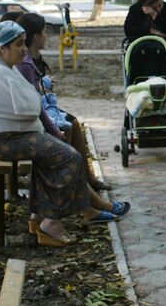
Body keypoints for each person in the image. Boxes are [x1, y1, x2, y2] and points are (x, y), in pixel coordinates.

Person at [0, 21, 130, 247]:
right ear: (1, 48)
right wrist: (35, 107)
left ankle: (38, 218)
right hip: (3, 142)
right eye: (18, 45)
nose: (23, 49)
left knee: (57, 156)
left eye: (23, 43)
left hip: (10, 137)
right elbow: (30, 108)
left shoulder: (2, 67)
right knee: (69, 158)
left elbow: (31, 106)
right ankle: (52, 224)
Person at [14, 12, 109, 192]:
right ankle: (75, 188)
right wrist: (54, 130)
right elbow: (33, 104)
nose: (47, 36)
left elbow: (33, 94)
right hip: (31, 123)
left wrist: (45, 84)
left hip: (38, 115)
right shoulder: (25, 64)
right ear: (35, 36)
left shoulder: (32, 61)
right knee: (66, 129)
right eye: (44, 32)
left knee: (73, 123)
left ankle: (86, 181)